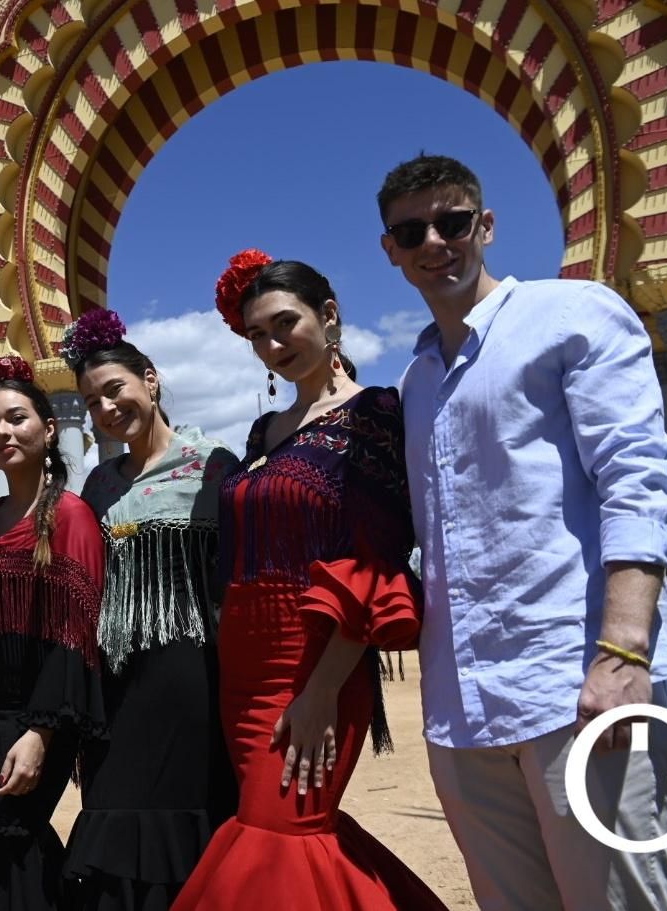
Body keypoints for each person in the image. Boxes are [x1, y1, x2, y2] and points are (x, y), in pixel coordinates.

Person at [379, 153, 667, 910]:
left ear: (485, 225)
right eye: (412, 230)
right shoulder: (414, 382)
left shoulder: (570, 314)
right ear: (390, 249)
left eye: (452, 222)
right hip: (464, 707)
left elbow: (638, 480)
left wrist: (622, 654)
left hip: (579, 686)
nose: (435, 242)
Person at [172, 251, 444, 909]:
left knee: (281, 834)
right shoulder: (265, 428)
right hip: (241, 665)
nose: (271, 345)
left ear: (328, 316)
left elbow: (374, 558)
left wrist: (323, 688)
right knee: (282, 837)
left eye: (283, 323)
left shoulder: (375, 412)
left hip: (311, 664)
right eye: (256, 335)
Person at [59, 308, 239, 909]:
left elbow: (236, 580)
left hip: (193, 682)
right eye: (92, 402)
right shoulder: (99, 484)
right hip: (116, 690)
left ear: (150, 381)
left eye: (115, 390)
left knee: (194, 832)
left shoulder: (215, 465)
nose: (107, 409)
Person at [0, 356, 106, 910]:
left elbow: (73, 634)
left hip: (36, 714)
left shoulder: (70, 515)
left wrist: (41, 732)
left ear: (48, 429)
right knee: (11, 849)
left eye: (16, 418)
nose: (2, 431)